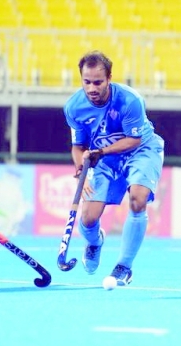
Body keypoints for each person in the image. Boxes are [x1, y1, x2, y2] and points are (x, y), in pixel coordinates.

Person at [64, 50, 164, 286]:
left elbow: (134, 140)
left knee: (138, 200)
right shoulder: (74, 108)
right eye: (86, 82)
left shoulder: (130, 101)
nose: (92, 88)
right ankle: (95, 242)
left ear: (109, 78)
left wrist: (100, 152)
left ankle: (124, 267)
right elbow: (78, 146)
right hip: (106, 160)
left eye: (98, 82)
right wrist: (81, 170)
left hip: (141, 151)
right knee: (88, 219)